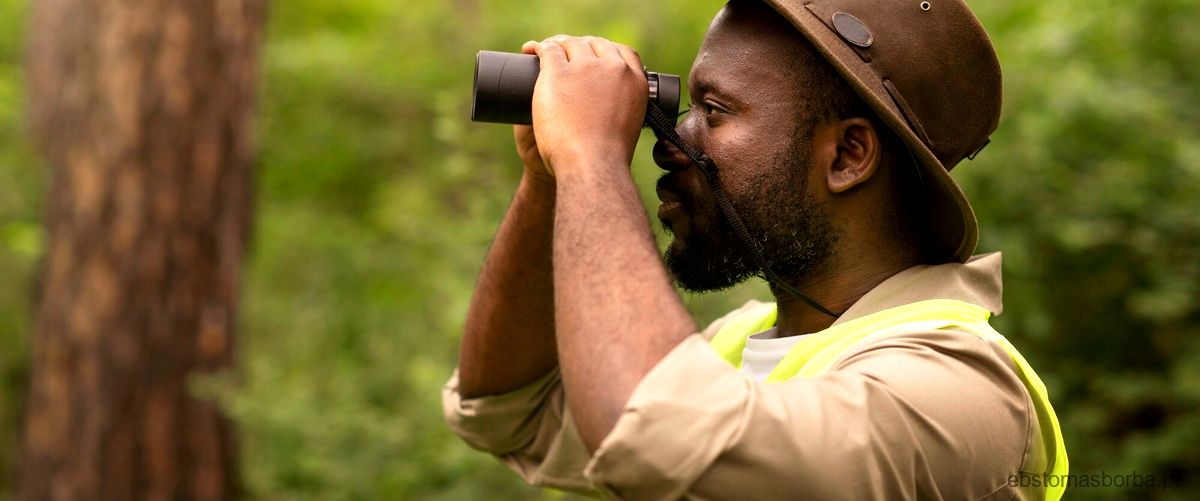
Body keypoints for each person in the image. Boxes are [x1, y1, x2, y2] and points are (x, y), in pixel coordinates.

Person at [443, 0, 1068, 499]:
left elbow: (654, 432)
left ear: (848, 156)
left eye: (714, 111)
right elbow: (509, 408)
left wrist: (590, 156)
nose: (669, 140)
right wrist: (551, 178)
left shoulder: (957, 390)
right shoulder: (735, 347)